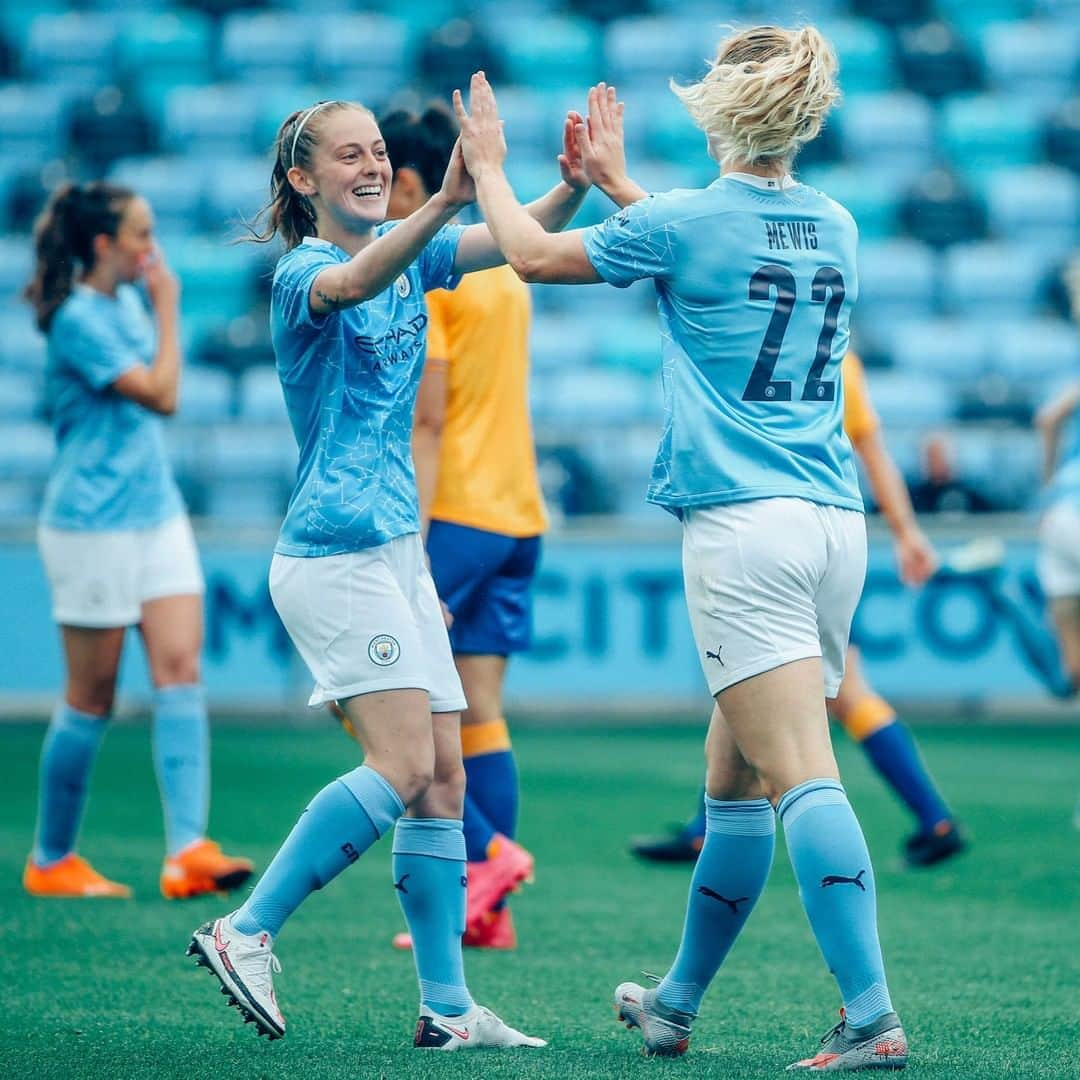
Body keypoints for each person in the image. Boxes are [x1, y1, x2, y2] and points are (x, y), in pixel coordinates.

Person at [454, 26, 909, 1070]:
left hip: (743, 528)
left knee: (795, 770)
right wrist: (624, 188)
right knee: (735, 776)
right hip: (834, 524)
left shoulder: (686, 222)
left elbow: (525, 255)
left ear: (718, 111)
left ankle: (871, 1012)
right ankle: (674, 1003)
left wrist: (487, 169)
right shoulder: (835, 224)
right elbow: (718, 242)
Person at [187, 98, 589, 1049]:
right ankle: (243, 930)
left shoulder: (417, 256)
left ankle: (448, 1009)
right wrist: (440, 202)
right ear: (302, 180)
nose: (371, 163)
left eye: (377, 151)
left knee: (444, 781)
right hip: (334, 556)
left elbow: (519, 239)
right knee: (405, 764)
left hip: (396, 554)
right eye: (348, 155)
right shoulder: (303, 271)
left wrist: (570, 181)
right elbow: (362, 278)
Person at [631, 351, 967, 869]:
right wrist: (905, 532)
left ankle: (931, 819)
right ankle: (932, 819)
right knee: (815, 687)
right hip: (829, 533)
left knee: (784, 683)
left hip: (765, 531)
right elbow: (870, 450)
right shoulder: (834, 349)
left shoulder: (749, 333)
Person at [22, 181, 253, 901]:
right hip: (92, 525)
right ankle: (51, 857)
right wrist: (172, 308)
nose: (151, 249)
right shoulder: (77, 320)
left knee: (181, 671)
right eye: (141, 234)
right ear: (103, 245)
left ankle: (187, 850)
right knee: (91, 698)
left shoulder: (118, 304)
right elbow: (163, 394)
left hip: (155, 514)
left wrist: (154, 308)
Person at [378, 104, 547, 951]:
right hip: (520, 513)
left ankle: (481, 855)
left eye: (384, 175)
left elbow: (431, 422)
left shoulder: (431, 265)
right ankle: (491, 910)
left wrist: (414, 541)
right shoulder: (502, 262)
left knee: (375, 699)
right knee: (481, 710)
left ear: (411, 181)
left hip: (458, 515)